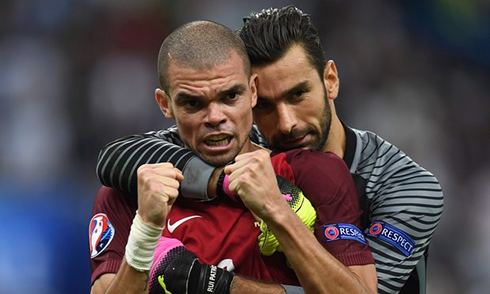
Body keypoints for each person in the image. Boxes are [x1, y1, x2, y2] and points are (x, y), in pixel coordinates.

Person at [95, 5, 443, 294]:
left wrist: (212, 281)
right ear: (256, 95)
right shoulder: (242, 147)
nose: (287, 124)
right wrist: (220, 182)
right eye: (267, 107)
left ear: (331, 80)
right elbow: (115, 157)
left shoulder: (408, 188)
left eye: (297, 94)